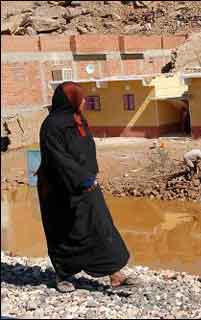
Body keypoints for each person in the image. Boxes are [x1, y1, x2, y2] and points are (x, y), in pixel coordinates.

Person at [36, 82, 135, 293]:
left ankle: (114, 273)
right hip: (60, 189)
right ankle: (63, 275)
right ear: (69, 100)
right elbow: (58, 158)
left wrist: (90, 174)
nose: (84, 102)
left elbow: (86, 150)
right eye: (80, 98)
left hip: (86, 183)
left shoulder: (78, 120)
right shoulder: (52, 125)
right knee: (64, 230)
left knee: (100, 225)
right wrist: (82, 178)